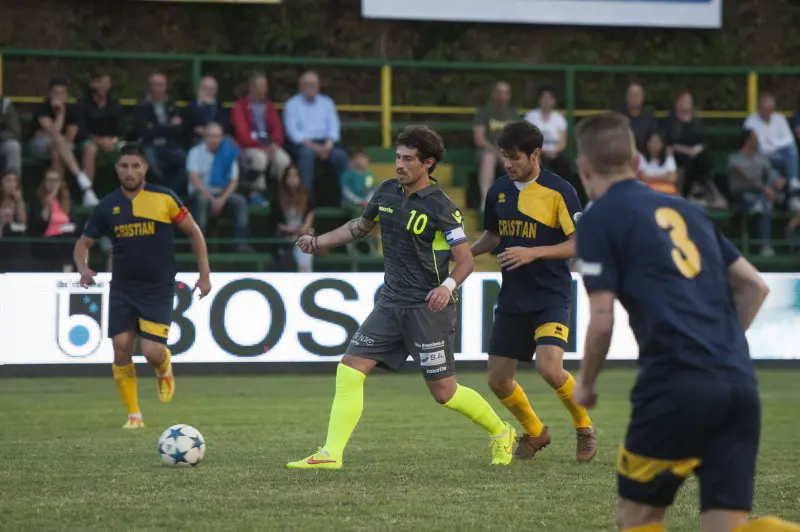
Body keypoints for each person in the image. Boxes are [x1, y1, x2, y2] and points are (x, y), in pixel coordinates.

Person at [571, 112, 800, 532]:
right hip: (737, 383)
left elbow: (601, 320)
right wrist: (719, 346)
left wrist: (585, 384)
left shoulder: (598, 219)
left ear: (584, 169)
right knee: (725, 528)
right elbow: (755, 287)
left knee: (637, 518)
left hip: (674, 386)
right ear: (637, 161)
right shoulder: (688, 211)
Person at [287, 125, 516, 469]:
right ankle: (330, 453)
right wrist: (317, 242)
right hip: (390, 303)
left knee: (445, 393)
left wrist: (446, 287)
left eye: (408, 159)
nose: (399, 164)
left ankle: (502, 433)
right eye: (397, 157)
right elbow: (360, 227)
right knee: (350, 369)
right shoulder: (386, 191)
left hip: (428, 309)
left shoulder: (444, 208)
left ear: (428, 163)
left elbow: (466, 260)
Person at [470, 120, 597, 462]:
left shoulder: (560, 191)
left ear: (535, 154)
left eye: (514, 157)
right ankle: (536, 430)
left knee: (549, 368)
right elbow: (494, 237)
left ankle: (584, 427)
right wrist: (463, 253)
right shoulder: (498, 190)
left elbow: (580, 244)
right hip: (513, 296)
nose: (508, 164)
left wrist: (534, 252)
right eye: (504, 157)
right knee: (497, 380)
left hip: (550, 294)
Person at [73, 142, 212, 429]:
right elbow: (82, 244)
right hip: (123, 287)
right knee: (121, 347)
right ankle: (134, 416)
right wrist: (83, 268)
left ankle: (164, 369)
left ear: (145, 168)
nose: (129, 171)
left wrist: (205, 274)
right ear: (116, 169)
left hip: (157, 286)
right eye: (124, 166)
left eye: (135, 165)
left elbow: (194, 232)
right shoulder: (107, 206)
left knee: (151, 352)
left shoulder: (164, 198)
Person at [272, 165, 316, 272]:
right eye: (289, 176)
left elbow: (310, 214)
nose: (292, 179)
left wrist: (304, 228)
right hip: (284, 238)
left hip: (303, 236)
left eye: (295, 176)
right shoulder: (277, 199)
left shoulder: (307, 196)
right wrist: (294, 230)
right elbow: (276, 224)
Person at [638, 131, 678, 196]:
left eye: (658, 142)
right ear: (647, 143)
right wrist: (665, 176)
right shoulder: (641, 158)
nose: (655, 145)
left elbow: (672, 178)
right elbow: (643, 178)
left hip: (666, 192)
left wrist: (651, 177)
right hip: (647, 192)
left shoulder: (669, 158)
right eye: (653, 142)